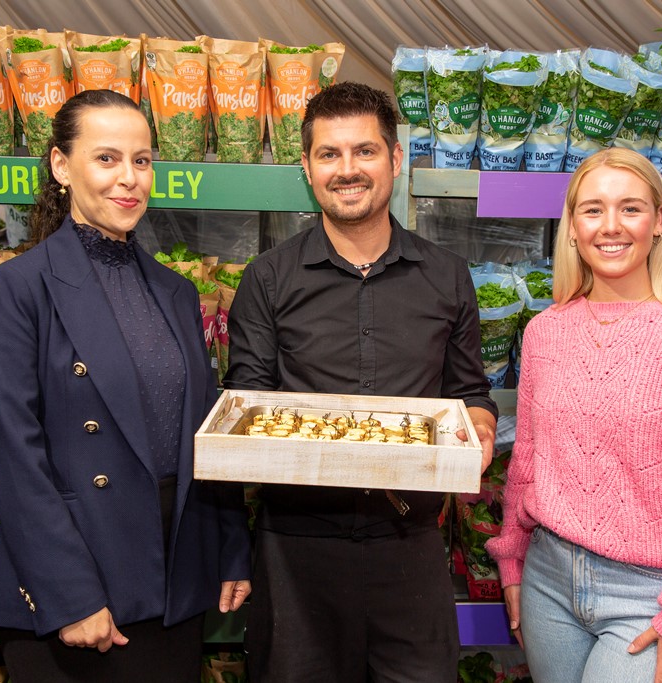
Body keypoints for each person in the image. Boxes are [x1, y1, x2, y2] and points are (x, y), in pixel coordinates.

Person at [0, 89, 251, 682]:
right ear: (60, 166)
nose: (129, 179)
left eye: (141, 161)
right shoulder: (18, 289)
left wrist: (228, 549)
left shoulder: (176, 292)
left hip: (173, 581)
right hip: (77, 586)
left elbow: (206, 435)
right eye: (107, 158)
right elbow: (11, 458)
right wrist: (69, 594)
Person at [223, 81, 497, 682]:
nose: (347, 169)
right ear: (307, 167)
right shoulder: (268, 279)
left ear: (395, 159)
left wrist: (478, 423)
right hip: (296, 550)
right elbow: (246, 404)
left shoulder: (447, 276)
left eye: (365, 151)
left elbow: (469, 392)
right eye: (330, 153)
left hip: (410, 544)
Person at [486, 147, 662, 683]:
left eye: (630, 208)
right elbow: (530, 462)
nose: (610, 226)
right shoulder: (545, 332)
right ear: (572, 227)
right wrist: (512, 559)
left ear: (658, 221)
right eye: (593, 209)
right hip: (547, 581)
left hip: (652, 595)